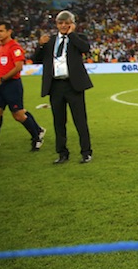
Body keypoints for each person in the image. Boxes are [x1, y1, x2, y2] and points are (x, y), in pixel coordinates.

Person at [31, 11, 94, 164]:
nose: (64, 26)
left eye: (67, 23)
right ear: (56, 24)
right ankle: (62, 153)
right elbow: (35, 59)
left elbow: (85, 48)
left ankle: (86, 152)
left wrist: (72, 35)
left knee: (80, 121)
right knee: (59, 122)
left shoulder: (79, 38)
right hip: (55, 86)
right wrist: (40, 45)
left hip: (73, 86)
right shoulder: (50, 41)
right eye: (61, 23)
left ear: (72, 24)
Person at [0, 22, 46, 158]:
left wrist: (1, 79)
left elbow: (18, 67)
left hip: (12, 85)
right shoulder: (0, 48)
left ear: (9, 32)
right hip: (0, 85)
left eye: (1, 31)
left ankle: (37, 136)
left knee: (18, 115)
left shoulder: (15, 47)